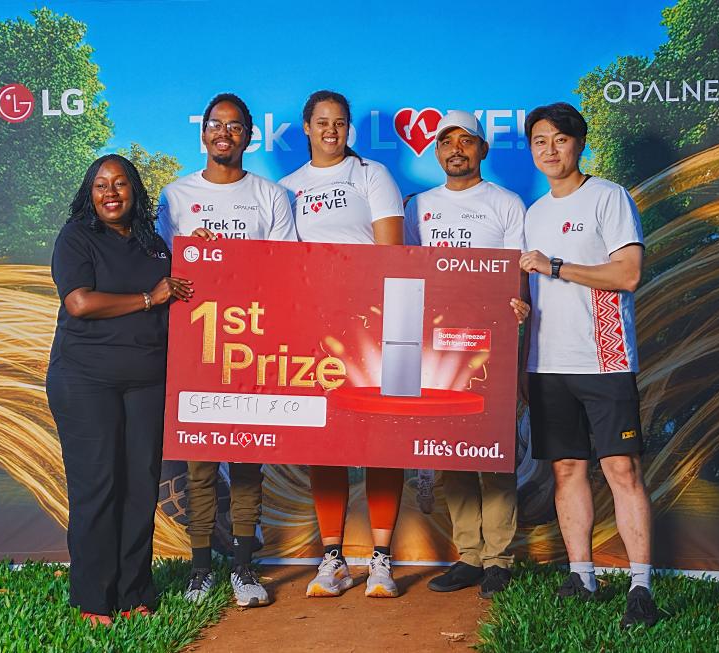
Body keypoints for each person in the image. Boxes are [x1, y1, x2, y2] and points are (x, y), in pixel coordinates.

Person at [518, 102, 658, 628]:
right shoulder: (533, 212)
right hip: (547, 361)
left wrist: (554, 267)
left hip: (604, 358)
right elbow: (529, 288)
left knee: (621, 468)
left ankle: (641, 584)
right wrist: (522, 303)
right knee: (565, 468)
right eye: (539, 141)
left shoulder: (608, 197)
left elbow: (628, 274)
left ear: (579, 144)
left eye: (559, 140)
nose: (549, 150)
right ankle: (583, 575)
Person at [156, 92, 295, 608]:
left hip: (251, 343)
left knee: (246, 460)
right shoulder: (174, 196)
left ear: (248, 136)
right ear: (203, 134)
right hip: (195, 343)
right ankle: (199, 568)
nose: (224, 134)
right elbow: (163, 269)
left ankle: (242, 565)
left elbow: (285, 272)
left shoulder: (270, 196)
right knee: (197, 463)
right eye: (216, 125)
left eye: (235, 127)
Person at [46, 154, 194, 627]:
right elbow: (80, 302)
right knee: (99, 486)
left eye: (120, 184)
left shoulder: (153, 244)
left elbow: (185, 287)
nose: (111, 193)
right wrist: (149, 298)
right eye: (101, 185)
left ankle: (134, 589)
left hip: (147, 380)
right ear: (89, 193)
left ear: (135, 190)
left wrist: (207, 251)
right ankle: (94, 598)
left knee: (140, 486)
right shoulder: (76, 237)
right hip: (85, 379)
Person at [278, 90, 405, 598]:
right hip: (312, 330)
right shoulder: (284, 188)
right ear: (305, 127)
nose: (332, 130)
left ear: (349, 129)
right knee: (323, 441)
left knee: (381, 440)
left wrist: (368, 313)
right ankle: (332, 559)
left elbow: (392, 252)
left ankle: (380, 560)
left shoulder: (371, 175)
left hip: (372, 325)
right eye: (322, 122)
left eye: (340, 122)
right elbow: (281, 267)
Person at [403, 110, 529, 598]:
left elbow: (518, 275)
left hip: (492, 341)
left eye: (466, 142)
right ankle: (469, 556)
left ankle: (499, 558)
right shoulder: (419, 208)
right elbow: (409, 272)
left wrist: (519, 312)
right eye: (446, 142)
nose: (456, 149)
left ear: (482, 150)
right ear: (437, 151)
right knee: (452, 449)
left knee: (492, 451)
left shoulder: (506, 203)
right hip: (438, 343)